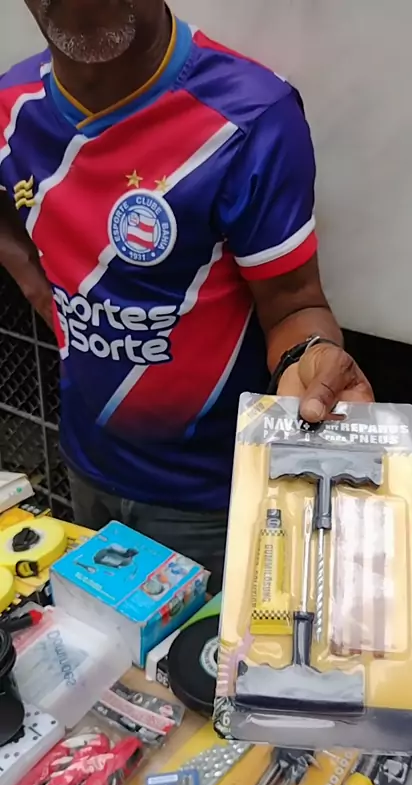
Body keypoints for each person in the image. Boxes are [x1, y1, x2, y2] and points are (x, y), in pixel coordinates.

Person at [0, 0, 373, 592]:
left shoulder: (253, 114)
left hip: (208, 502)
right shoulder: (11, 105)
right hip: (85, 467)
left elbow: (295, 304)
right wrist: (39, 290)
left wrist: (309, 356)